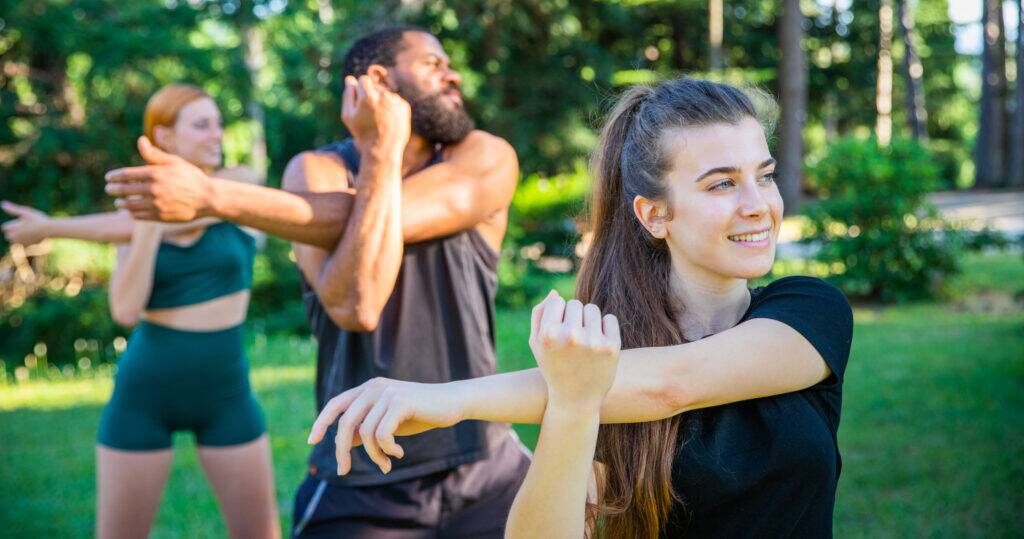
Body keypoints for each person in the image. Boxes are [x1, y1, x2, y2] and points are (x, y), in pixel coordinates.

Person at [308, 78, 854, 538]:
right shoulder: (589, 363)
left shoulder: (807, 312)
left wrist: (452, 399)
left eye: (764, 175)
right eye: (723, 185)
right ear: (654, 215)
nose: (759, 206)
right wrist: (570, 406)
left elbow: (674, 384)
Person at [104, 27, 531, 537]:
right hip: (360, 472)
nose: (453, 74)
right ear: (377, 81)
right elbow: (357, 305)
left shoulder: (483, 155)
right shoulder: (315, 169)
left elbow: (382, 215)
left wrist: (213, 198)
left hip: (488, 465)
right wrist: (379, 152)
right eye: (433, 65)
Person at [5, 84, 280, 539]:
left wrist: (56, 226)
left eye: (217, 122)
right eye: (201, 124)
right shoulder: (138, 212)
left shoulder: (240, 183)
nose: (216, 134)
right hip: (145, 394)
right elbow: (126, 311)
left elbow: (189, 211)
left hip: (227, 393)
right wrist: (144, 229)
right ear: (165, 138)